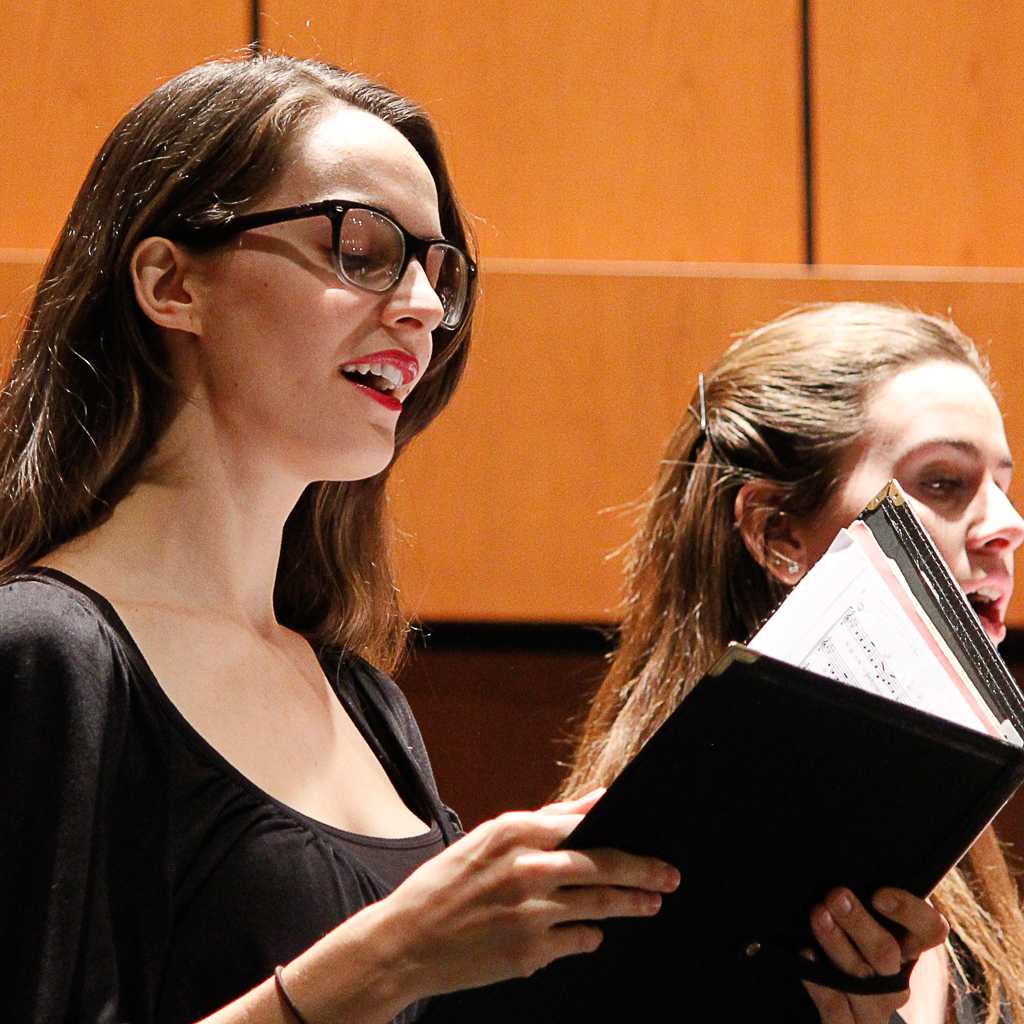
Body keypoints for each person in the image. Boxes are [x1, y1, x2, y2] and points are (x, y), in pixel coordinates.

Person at [0, 56, 942, 1024]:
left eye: (436, 270)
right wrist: (383, 961)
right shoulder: (43, 653)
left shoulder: (357, 698)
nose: (419, 306)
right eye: (358, 249)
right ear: (170, 283)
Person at [560, 302, 1024, 1024]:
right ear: (778, 533)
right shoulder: (638, 879)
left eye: (1004, 484)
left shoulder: (945, 831)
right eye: (943, 483)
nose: (1006, 525)